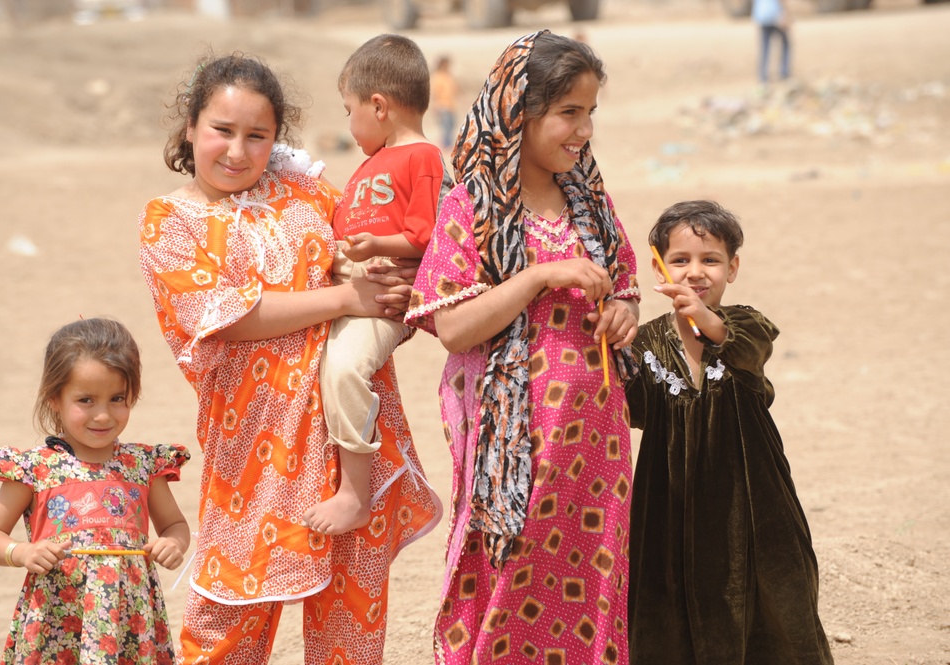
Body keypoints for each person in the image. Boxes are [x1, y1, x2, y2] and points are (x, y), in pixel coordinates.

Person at [138, 53, 440, 664]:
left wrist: (390, 287)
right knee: (225, 631)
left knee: (351, 633)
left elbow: (379, 241)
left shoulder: (306, 190)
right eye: (222, 130)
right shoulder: (169, 221)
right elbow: (230, 317)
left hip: (352, 447)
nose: (238, 151)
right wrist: (347, 296)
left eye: (259, 136)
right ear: (190, 127)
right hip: (252, 454)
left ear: (278, 139)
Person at [406, 31, 640, 664]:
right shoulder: (471, 207)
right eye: (569, 112)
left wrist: (623, 309)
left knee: (592, 582)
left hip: (597, 444)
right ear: (520, 111)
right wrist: (538, 276)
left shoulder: (588, 201)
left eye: (590, 113)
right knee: (509, 573)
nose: (583, 130)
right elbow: (453, 327)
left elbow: (624, 284)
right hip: (514, 449)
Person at [625, 200, 833, 664]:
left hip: (754, 498)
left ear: (732, 268)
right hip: (670, 501)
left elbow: (738, 346)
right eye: (680, 260)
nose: (695, 272)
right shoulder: (644, 343)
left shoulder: (746, 326)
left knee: (773, 591)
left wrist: (703, 316)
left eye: (710, 260)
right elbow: (632, 410)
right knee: (669, 593)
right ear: (658, 267)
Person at [0, 317, 190, 665]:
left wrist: (172, 544)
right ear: (54, 399)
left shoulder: (143, 465)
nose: (103, 415)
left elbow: (175, 526)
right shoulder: (35, 469)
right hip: (57, 620)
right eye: (86, 400)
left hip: (130, 621)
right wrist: (21, 552)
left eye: (117, 398)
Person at [302, 34, 450, 536]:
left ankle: (355, 493)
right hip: (352, 283)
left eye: (350, 109)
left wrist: (373, 246)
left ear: (379, 105)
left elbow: (429, 234)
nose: (349, 123)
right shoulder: (369, 164)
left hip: (383, 294)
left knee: (344, 370)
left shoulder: (424, 157)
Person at [752, 0, 791, 84]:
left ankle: (763, 75)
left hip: (762, 16)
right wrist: (785, 14)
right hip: (775, 16)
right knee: (785, 43)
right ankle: (784, 72)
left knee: (765, 47)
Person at [429, 55, 459, 152]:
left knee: (451, 125)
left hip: (451, 105)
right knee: (445, 126)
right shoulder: (437, 76)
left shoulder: (448, 76)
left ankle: (448, 144)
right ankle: (445, 145)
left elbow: (454, 90)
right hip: (442, 105)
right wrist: (435, 106)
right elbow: (434, 92)